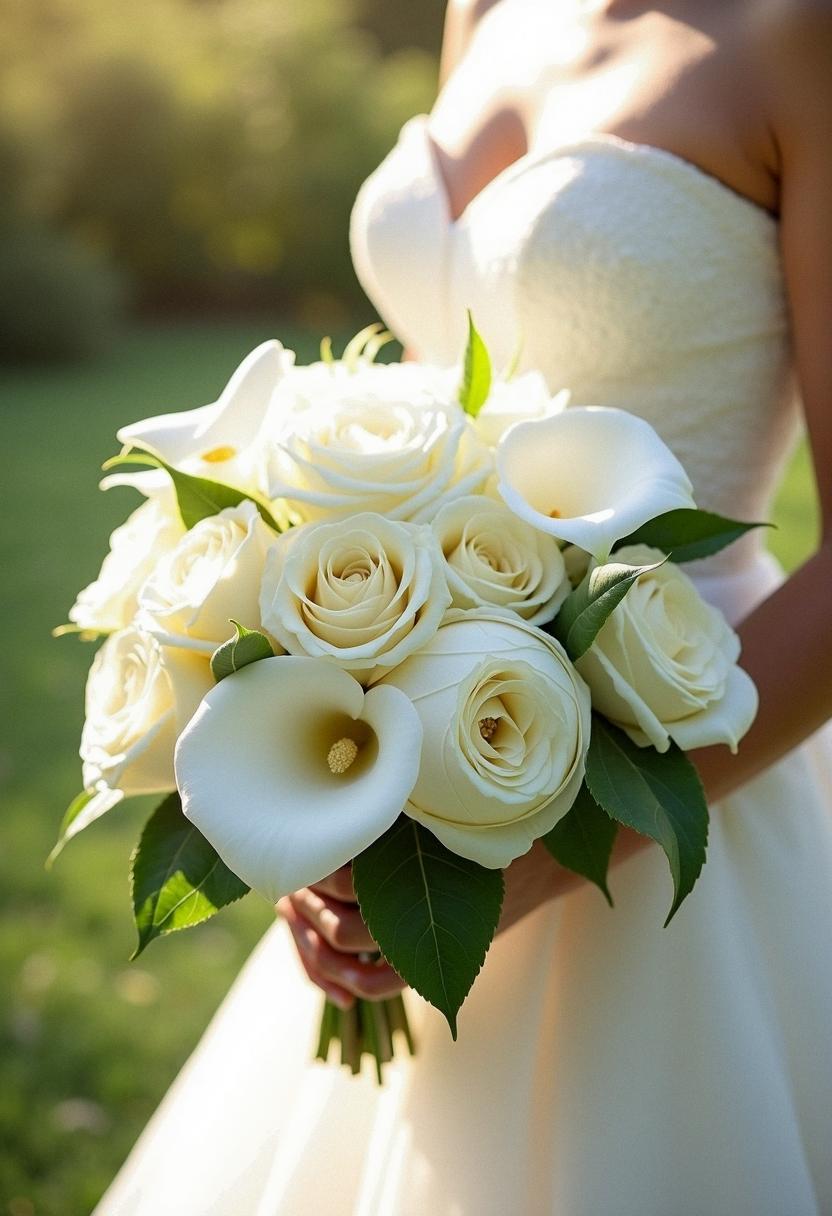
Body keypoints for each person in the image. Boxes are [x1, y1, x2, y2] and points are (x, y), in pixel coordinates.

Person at [94, 1, 832, 1212]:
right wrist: (312, 783)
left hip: (681, 742)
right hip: (410, 700)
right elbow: (444, 370)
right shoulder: (483, 7)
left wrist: (558, 853)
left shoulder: (793, 32)